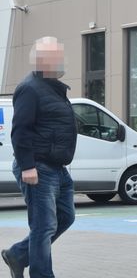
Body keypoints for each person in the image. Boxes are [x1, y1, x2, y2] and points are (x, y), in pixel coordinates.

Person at [2, 36, 78, 278]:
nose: (62, 61)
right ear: (42, 61)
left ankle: (18, 254)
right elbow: (20, 130)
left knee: (66, 216)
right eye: (57, 57)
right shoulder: (30, 88)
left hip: (57, 167)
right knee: (43, 226)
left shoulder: (53, 88)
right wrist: (27, 166)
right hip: (38, 167)